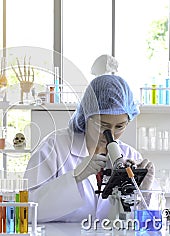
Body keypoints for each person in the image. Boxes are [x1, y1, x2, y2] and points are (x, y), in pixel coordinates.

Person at [24, 74, 155, 223]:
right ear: (87, 116)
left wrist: (144, 192)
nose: (110, 134)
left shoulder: (130, 155)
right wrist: (76, 177)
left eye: (119, 126)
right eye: (103, 125)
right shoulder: (54, 147)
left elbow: (144, 223)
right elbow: (28, 211)